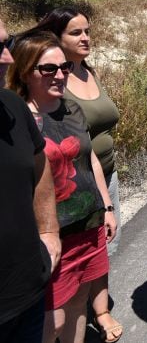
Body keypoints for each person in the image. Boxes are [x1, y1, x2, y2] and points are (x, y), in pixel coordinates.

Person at [7, 31, 116, 343]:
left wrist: (107, 207)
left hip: (89, 224)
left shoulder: (71, 109)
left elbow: (90, 158)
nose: (59, 75)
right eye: (48, 69)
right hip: (53, 235)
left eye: (64, 67)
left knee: (80, 301)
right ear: (26, 73)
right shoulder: (19, 119)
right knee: (50, 320)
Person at [32, 7, 122, 342]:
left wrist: (107, 202)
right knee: (57, 296)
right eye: (76, 32)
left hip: (101, 175)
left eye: (87, 30)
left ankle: (99, 311)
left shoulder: (87, 73)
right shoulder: (50, 89)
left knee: (98, 253)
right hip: (65, 187)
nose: (85, 37)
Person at [0, 20, 61, 343]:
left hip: (26, 292)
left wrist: (48, 231)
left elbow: (40, 167)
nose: (7, 59)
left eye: (4, 46)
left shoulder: (9, 106)